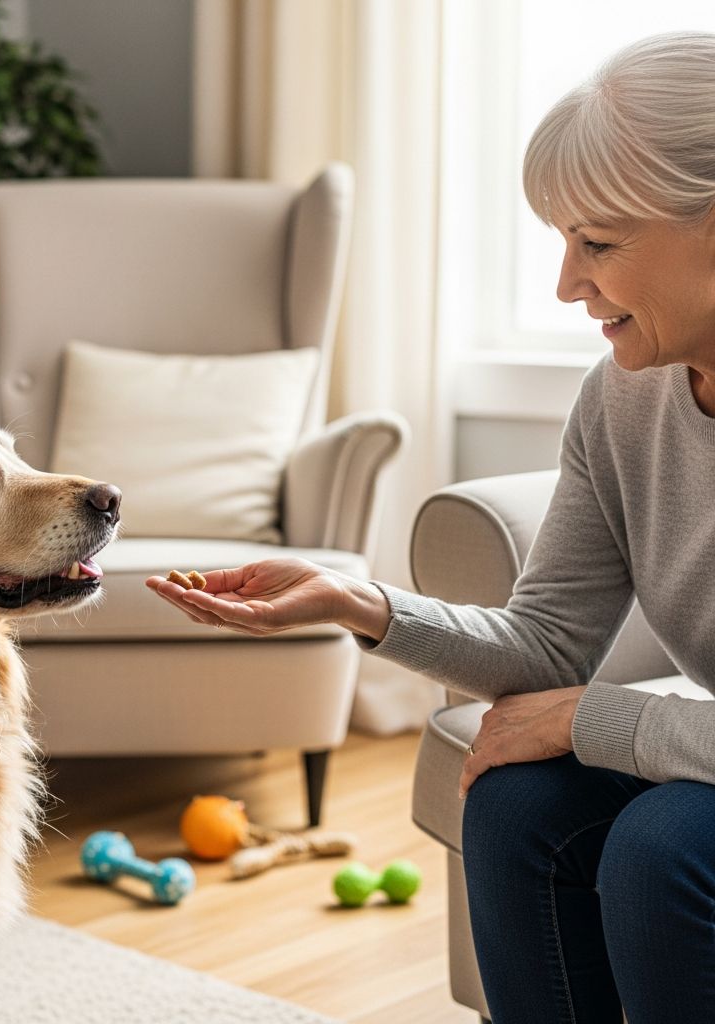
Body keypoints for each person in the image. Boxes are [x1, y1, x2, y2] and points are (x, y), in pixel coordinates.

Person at [147, 30, 715, 1024]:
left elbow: (576, 700)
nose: (566, 285)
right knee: (516, 805)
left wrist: (590, 717)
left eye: (598, 243)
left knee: (663, 840)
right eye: (561, 240)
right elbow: (548, 644)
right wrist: (356, 606)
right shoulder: (622, 404)